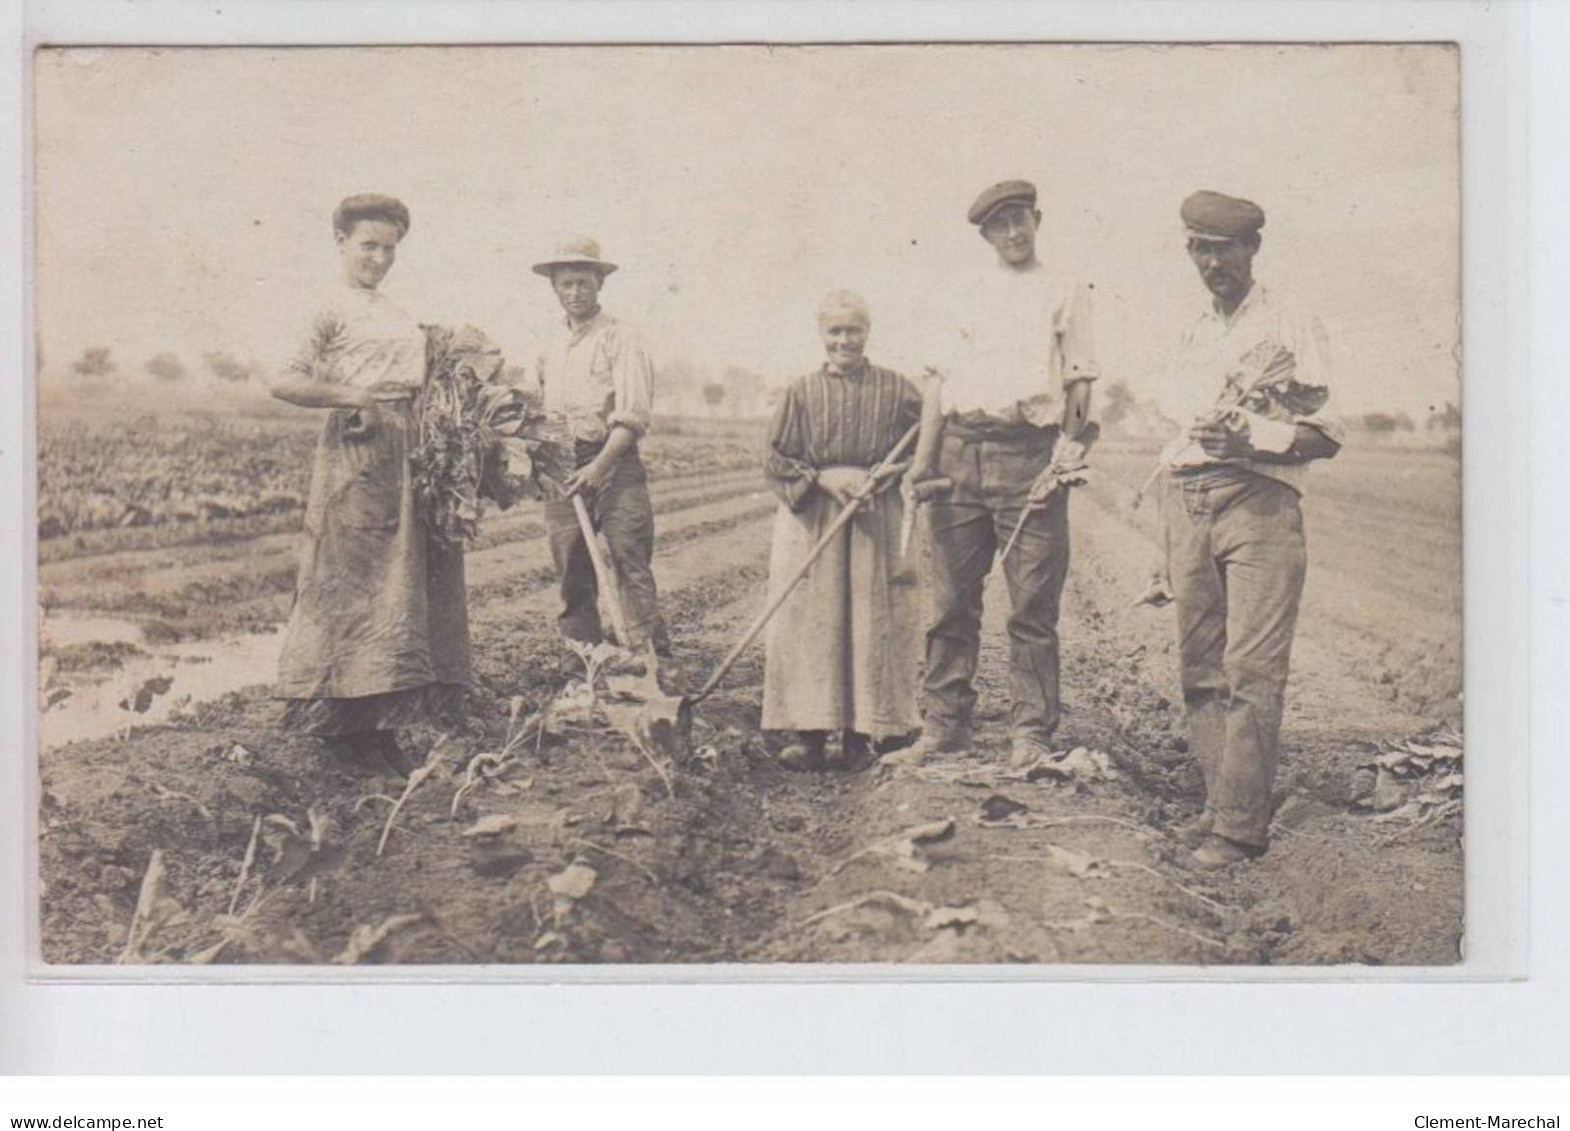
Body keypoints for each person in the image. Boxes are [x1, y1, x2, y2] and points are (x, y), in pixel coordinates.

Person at [1152, 190, 1342, 869]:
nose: (1211, 262)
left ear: (1252, 248)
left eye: (1223, 248)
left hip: (1260, 503)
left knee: (1252, 668)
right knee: (1200, 669)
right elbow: (1172, 417)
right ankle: (1216, 807)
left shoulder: (1291, 321)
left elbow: (1325, 433)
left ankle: (1238, 829)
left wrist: (1250, 434)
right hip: (1190, 499)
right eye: (1199, 249)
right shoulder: (1193, 329)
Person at [271, 194, 470, 777]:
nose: (379, 258)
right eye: (368, 246)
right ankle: (339, 729)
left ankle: (381, 727)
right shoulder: (326, 308)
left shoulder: (394, 310)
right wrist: (356, 397)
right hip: (357, 453)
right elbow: (284, 380)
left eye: (389, 248)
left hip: (406, 453)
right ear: (340, 242)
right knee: (351, 582)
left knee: (399, 586)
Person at [907, 179, 1099, 768]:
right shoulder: (963, 290)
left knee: (1032, 607)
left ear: (1037, 220)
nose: (1013, 233)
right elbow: (937, 382)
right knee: (950, 604)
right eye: (1000, 225)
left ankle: (1031, 732)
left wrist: (1068, 448)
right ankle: (944, 726)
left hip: (1028, 457)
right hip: (960, 455)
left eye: (1021, 220)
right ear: (986, 234)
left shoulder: (1065, 289)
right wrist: (922, 463)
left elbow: (1081, 379)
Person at [760, 290, 924, 771]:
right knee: (812, 619)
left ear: (867, 332)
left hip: (875, 510)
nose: (844, 340)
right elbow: (774, 456)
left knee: (874, 617)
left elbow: (925, 444)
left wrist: (888, 475)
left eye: (853, 330)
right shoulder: (800, 392)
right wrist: (824, 479)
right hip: (814, 513)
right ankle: (809, 735)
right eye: (835, 331)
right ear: (821, 335)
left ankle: (865, 734)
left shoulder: (898, 389)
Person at [530, 236, 670, 656]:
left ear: (599, 285)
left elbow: (633, 414)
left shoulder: (621, 338)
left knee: (629, 557)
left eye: (583, 283)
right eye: (566, 283)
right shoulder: (549, 344)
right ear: (554, 286)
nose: (574, 292)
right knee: (571, 566)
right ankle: (584, 660)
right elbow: (538, 404)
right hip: (562, 464)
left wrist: (600, 467)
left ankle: (649, 659)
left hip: (613, 461)